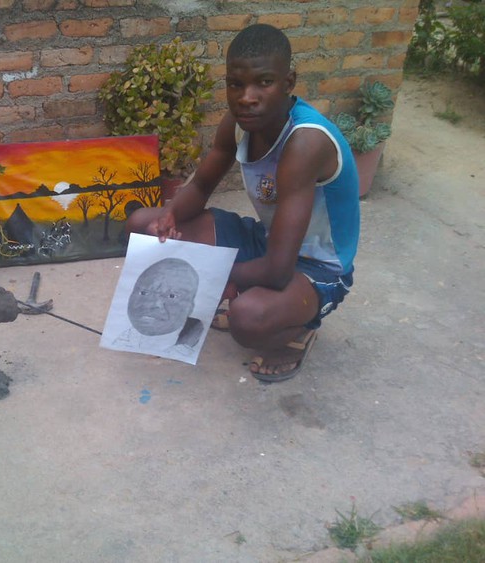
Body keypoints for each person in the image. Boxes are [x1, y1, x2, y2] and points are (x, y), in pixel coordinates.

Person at [126, 23, 360, 382]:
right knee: (144, 224)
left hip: (316, 269)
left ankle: (297, 332)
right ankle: (247, 290)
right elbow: (201, 185)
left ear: (289, 82)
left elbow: (280, 270)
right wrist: (171, 215)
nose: (246, 97)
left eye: (263, 82)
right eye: (235, 84)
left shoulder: (306, 143)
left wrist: (210, 278)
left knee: (247, 318)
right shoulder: (237, 124)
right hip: (268, 241)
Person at [112, 257, 204, 358]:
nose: (153, 304)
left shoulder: (191, 347)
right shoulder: (122, 339)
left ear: (190, 307)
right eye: (144, 292)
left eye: (172, 296)